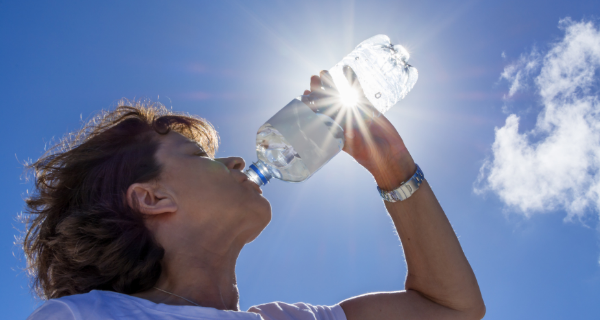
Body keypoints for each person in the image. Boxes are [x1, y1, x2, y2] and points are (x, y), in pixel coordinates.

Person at [24, 69, 485, 320]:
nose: (237, 162)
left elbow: (452, 308)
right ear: (152, 198)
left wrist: (392, 165)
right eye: (196, 155)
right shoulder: (85, 317)